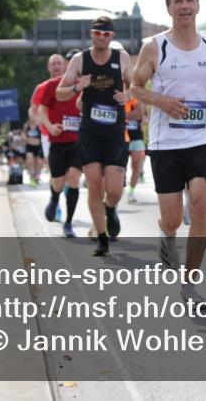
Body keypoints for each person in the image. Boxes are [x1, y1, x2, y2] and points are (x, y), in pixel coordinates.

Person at [131, 0, 206, 305]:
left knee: (202, 202)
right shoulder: (154, 46)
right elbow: (135, 87)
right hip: (165, 144)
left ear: (198, 5)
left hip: (204, 138)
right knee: (174, 218)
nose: (185, 6)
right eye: (179, 1)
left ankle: (190, 283)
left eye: (190, 0)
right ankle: (168, 233)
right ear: (169, 8)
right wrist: (161, 101)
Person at [57, 17, 133, 256]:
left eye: (106, 35)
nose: (101, 38)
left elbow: (136, 85)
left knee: (114, 190)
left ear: (112, 37)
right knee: (94, 185)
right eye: (97, 34)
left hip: (115, 132)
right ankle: (102, 239)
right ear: (92, 34)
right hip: (90, 132)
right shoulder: (80, 60)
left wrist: (127, 95)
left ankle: (110, 208)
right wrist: (78, 87)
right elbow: (61, 93)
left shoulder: (122, 58)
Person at [38, 49, 84, 238]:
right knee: (58, 182)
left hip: (78, 141)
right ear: (67, 65)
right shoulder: (53, 86)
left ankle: (68, 223)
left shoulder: (86, 86)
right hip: (57, 140)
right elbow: (41, 110)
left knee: (73, 178)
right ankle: (54, 198)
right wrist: (49, 126)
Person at [32, 54, 66, 161]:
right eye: (53, 64)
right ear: (48, 67)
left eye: (59, 63)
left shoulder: (72, 85)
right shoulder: (41, 88)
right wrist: (41, 122)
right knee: (55, 169)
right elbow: (33, 110)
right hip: (48, 134)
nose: (56, 66)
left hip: (71, 133)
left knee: (72, 172)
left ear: (64, 66)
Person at [124, 97, 146, 204]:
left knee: (136, 165)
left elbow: (144, 116)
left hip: (137, 137)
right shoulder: (119, 100)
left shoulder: (136, 101)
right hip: (121, 137)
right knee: (121, 166)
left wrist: (144, 121)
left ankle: (131, 192)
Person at [23, 110, 44, 187]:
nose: (32, 117)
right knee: (30, 161)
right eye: (30, 115)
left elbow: (42, 136)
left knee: (38, 162)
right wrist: (26, 139)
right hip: (29, 146)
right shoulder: (26, 125)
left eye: (33, 115)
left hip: (38, 146)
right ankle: (32, 176)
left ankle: (37, 175)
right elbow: (23, 135)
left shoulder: (39, 125)